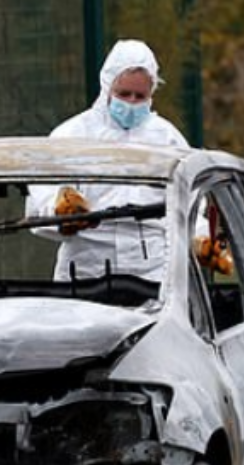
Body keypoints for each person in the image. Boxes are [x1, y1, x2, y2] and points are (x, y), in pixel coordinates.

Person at [26, 40, 191, 283]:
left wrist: (201, 237)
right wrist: (62, 214)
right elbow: (42, 198)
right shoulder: (72, 136)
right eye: (124, 94)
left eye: (140, 96)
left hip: (154, 273)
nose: (132, 103)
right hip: (85, 271)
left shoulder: (167, 139)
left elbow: (190, 200)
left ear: (152, 93)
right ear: (106, 88)